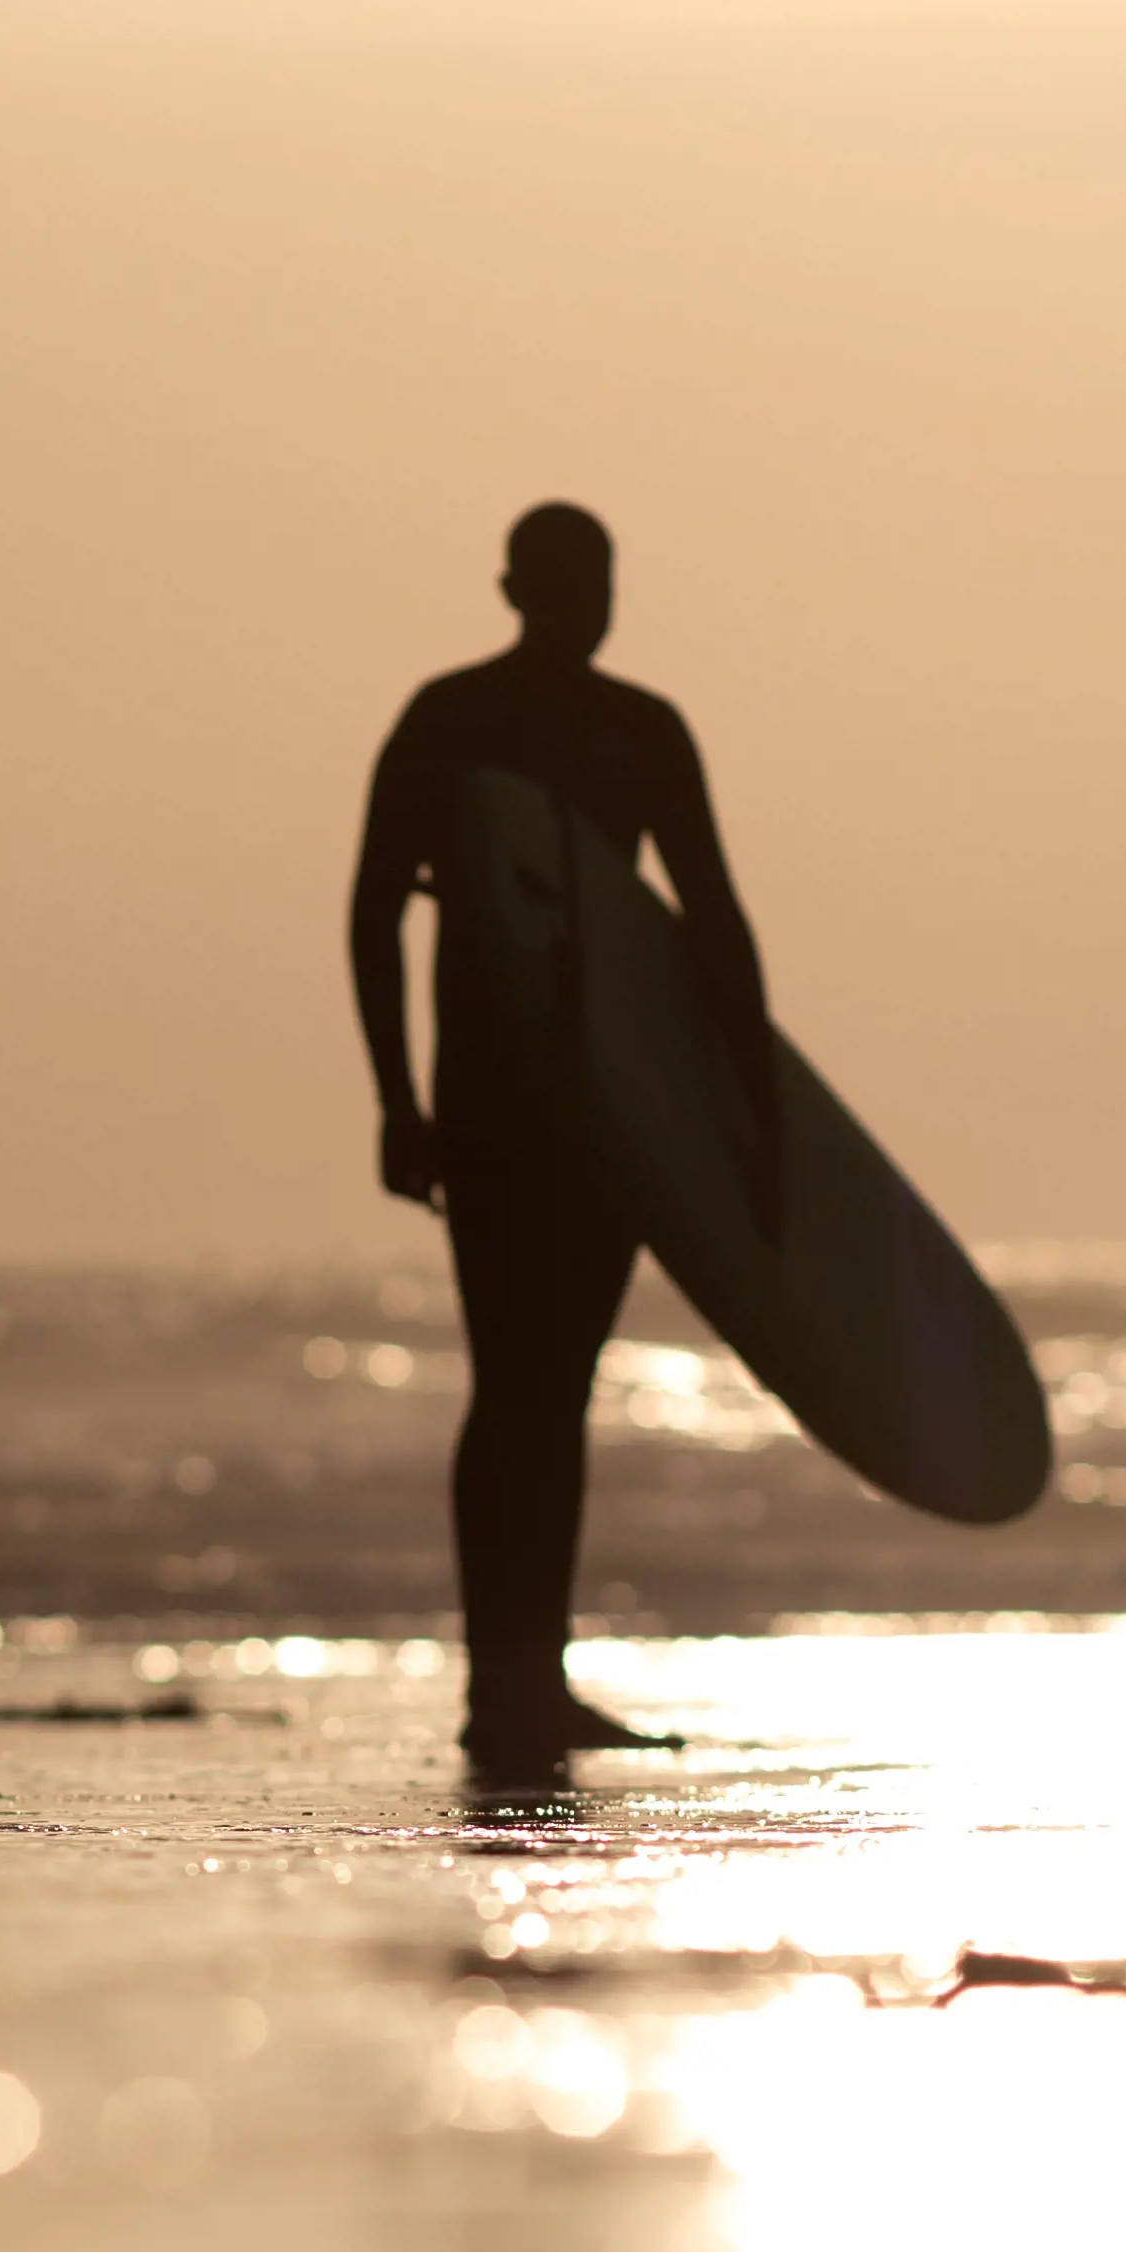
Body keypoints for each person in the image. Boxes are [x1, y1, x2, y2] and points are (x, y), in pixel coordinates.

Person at [349, 503, 780, 1783]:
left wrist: (753, 1104)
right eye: (573, 579)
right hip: (528, 1108)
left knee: (544, 1386)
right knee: (523, 1385)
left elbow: (710, 924)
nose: (587, 599)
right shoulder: (496, 724)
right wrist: (394, 1098)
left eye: (598, 578)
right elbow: (371, 910)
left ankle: (522, 1678)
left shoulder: (576, 726)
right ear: (525, 588)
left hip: (589, 1111)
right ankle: (507, 1683)